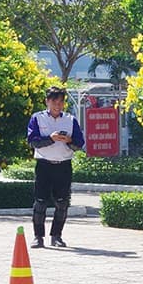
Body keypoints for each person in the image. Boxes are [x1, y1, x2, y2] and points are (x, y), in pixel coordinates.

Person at [26, 87, 84, 249]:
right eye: (54, 102)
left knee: (62, 203)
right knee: (40, 202)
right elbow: (32, 141)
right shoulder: (37, 118)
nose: (57, 105)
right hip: (44, 165)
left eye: (60, 102)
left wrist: (69, 141)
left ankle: (56, 236)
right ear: (47, 102)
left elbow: (79, 144)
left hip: (63, 165)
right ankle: (38, 237)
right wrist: (50, 139)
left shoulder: (70, 120)